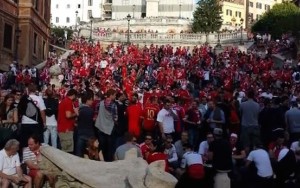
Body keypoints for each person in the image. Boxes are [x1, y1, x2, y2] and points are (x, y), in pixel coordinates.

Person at [18, 83, 46, 148]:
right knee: (36, 143)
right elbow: (42, 111)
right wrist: (44, 122)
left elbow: (20, 110)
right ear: (35, 90)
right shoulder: (39, 98)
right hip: (35, 123)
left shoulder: (24, 98)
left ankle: (25, 156)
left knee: (25, 143)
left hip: (24, 122)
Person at [95, 89, 118, 162]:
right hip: (109, 129)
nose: (115, 97)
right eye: (114, 95)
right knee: (109, 147)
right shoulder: (114, 105)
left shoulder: (100, 103)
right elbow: (115, 118)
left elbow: (96, 113)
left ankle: (101, 160)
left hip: (100, 127)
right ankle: (108, 161)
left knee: (101, 146)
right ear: (111, 95)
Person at [75, 92, 95, 157]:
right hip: (89, 133)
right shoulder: (90, 110)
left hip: (80, 132)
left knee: (79, 153)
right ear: (87, 100)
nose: (92, 101)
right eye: (91, 100)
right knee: (90, 153)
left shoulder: (79, 109)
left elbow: (76, 120)